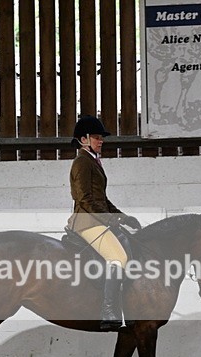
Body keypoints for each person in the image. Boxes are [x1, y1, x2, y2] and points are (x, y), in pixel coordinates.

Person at [67, 115, 141, 331]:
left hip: (97, 219)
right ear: (83, 140)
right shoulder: (82, 162)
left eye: (101, 138)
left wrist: (122, 217)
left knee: (130, 246)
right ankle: (108, 309)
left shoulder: (92, 161)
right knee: (117, 257)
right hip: (87, 222)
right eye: (97, 138)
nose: (101, 141)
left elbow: (102, 199)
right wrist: (110, 219)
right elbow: (84, 199)